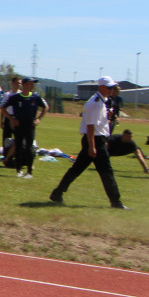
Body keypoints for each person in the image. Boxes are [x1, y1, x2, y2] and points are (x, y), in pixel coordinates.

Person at [49, 76, 128, 208]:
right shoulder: (96, 103)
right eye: (109, 87)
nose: (111, 90)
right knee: (107, 172)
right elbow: (90, 127)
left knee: (77, 169)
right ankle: (116, 202)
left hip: (97, 140)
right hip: (94, 141)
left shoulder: (102, 101)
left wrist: (107, 119)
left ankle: (57, 193)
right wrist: (92, 147)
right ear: (101, 87)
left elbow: (98, 124)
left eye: (112, 87)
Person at [6, 77, 47, 179]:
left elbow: (45, 107)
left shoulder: (35, 97)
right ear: (24, 85)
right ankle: (19, 170)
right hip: (19, 125)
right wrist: (11, 119)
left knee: (29, 148)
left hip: (30, 126)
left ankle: (29, 171)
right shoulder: (15, 97)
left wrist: (39, 119)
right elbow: (3, 107)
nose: (32, 86)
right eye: (30, 84)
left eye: (33, 84)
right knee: (18, 147)